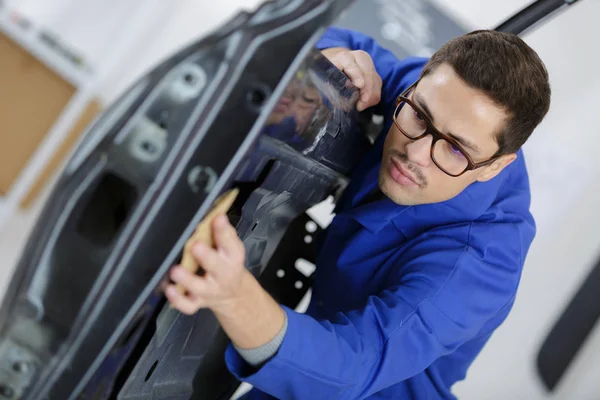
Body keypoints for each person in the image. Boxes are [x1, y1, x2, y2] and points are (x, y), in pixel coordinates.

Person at [164, 26, 551, 399]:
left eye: (454, 149)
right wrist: (332, 62)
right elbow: (343, 40)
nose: (414, 153)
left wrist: (233, 296)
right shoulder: (436, 96)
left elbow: (351, 368)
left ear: (494, 166)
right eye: (419, 115)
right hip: (299, 363)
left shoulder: (474, 268)